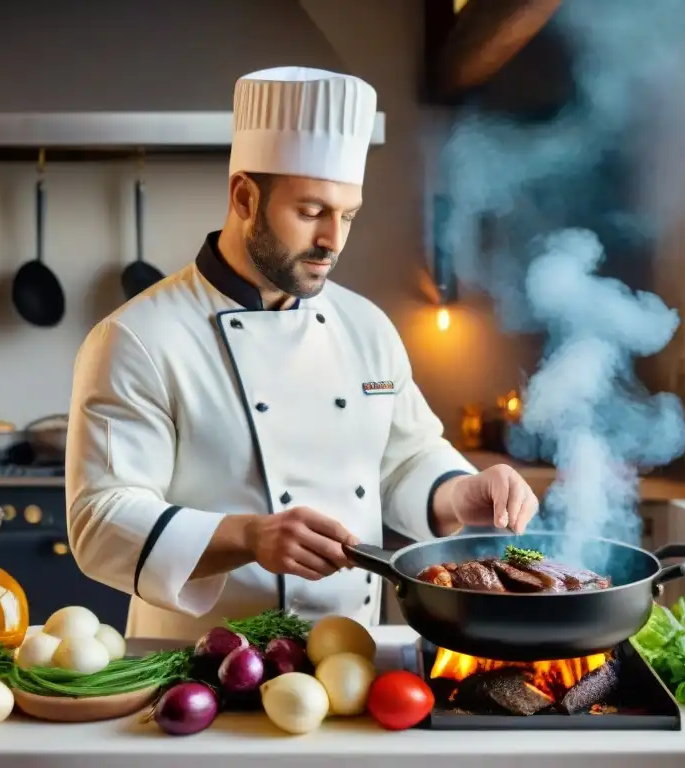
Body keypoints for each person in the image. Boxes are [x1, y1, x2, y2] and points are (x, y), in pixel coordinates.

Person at [66, 67, 540, 639]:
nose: (333, 241)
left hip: (353, 657)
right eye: (312, 211)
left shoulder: (366, 327)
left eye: (347, 216)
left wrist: (464, 494)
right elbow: (101, 520)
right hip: (200, 675)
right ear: (244, 196)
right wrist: (249, 537)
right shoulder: (139, 337)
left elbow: (407, 460)